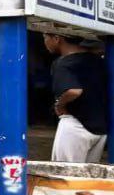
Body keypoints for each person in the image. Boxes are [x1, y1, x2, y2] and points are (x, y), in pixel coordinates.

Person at [44, 32, 109, 163]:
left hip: (75, 125)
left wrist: (59, 105)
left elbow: (74, 91)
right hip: (100, 128)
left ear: (57, 38)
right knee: (87, 174)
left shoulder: (63, 63)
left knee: (64, 172)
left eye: (45, 37)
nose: (45, 42)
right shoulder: (97, 60)